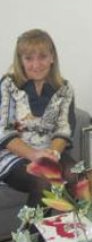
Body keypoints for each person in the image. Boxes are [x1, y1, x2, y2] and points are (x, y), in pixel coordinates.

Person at [0, 29, 76, 207]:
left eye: (42, 56)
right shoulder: (8, 85)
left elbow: (63, 129)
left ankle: (77, 231)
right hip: (11, 154)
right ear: (21, 60)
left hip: (48, 150)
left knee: (76, 174)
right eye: (29, 58)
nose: (36, 64)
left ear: (52, 58)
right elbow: (4, 131)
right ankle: (30, 236)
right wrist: (34, 155)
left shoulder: (64, 88)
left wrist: (53, 153)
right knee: (44, 181)